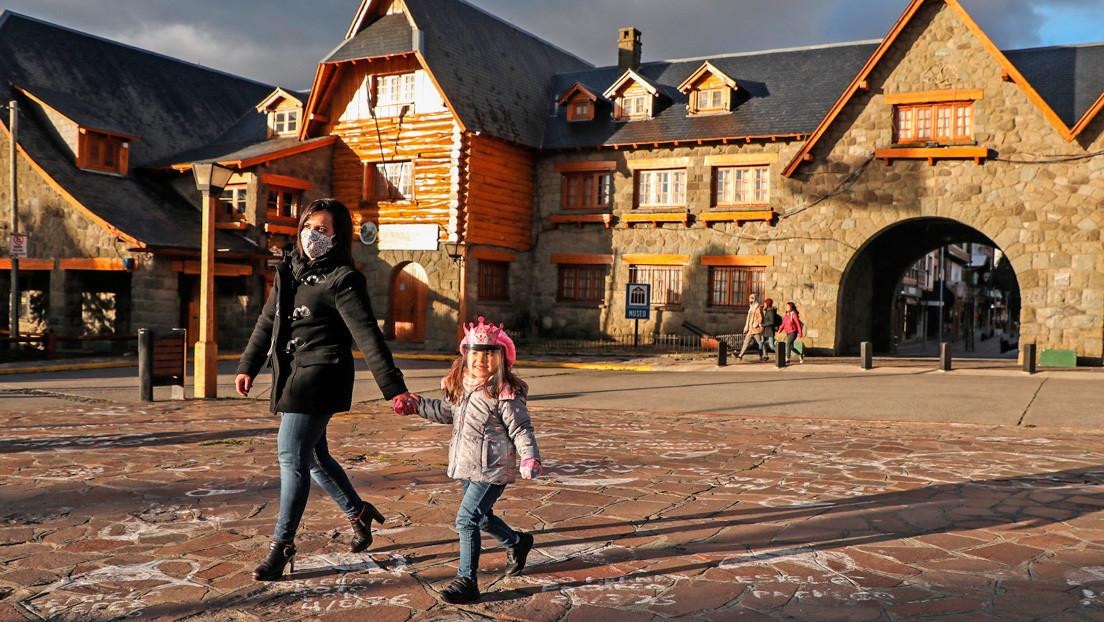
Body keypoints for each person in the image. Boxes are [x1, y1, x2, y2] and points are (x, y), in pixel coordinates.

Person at [235, 198, 412, 581]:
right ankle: (359, 513)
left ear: (337, 237)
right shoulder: (289, 272)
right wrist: (248, 365)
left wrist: (393, 388)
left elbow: (367, 335)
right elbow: (268, 321)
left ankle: (282, 545)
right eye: (308, 226)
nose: (312, 235)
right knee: (313, 456)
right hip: (291, 374)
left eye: (323, 229)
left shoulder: (343, 279)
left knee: (290, 455)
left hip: (320, 376)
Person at [394, 317, 541, 604]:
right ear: (465, 356)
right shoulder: (463, 387)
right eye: (475, 353)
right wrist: (417, 405)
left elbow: (521, 429)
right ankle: (517, 542)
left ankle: (467, 580)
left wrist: (529, 457)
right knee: (482, 518)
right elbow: (447, 412)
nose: (481, 360)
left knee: (466, 520)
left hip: (493, 468)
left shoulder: (505, 394)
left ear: (501, 358)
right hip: (466, 465)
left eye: (488, 354)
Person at [736, 293, 766, 361]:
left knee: (760, 343)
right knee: (746, 342)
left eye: (752, 298)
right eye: (750, 298)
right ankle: (740, 355)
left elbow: (760, 318)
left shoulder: (758, 308)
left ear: (755, 299)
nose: (751, 300)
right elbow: (748, 319)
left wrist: (755, 324)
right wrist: (746, 327)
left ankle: (764, 355)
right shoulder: (751, 308)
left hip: (756, 329)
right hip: (750, 329)